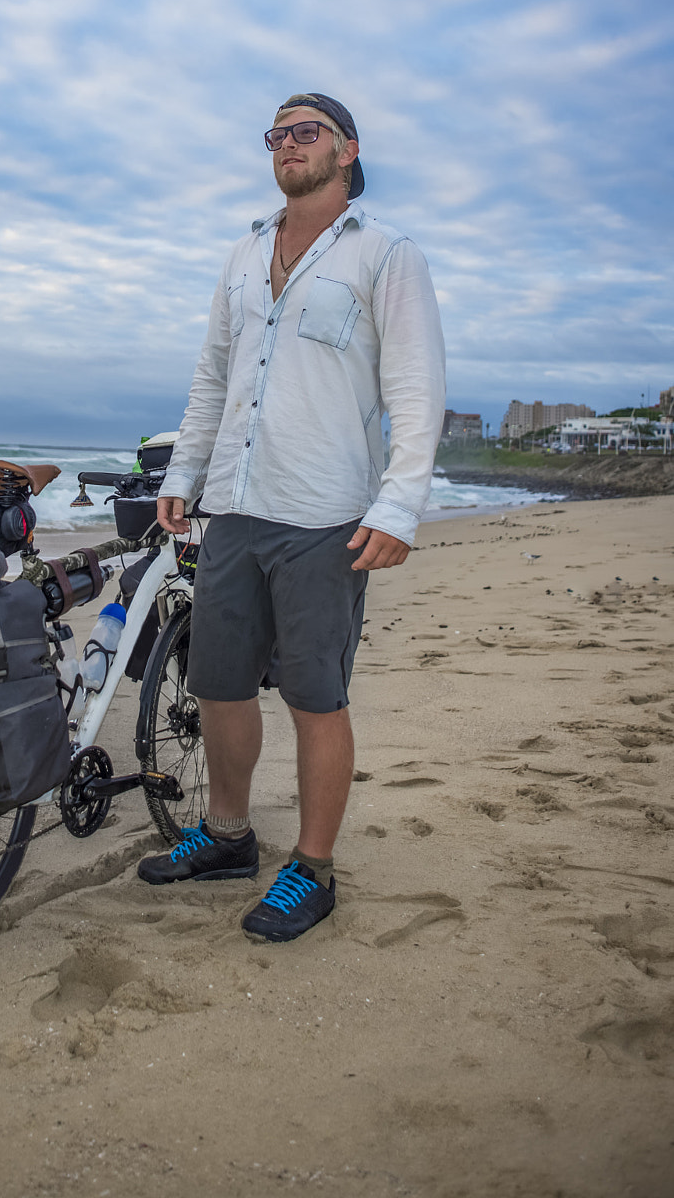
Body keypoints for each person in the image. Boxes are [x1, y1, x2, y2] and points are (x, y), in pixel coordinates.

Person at [138, 92, 445, 942]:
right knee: (218, 684)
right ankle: (229, 837)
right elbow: (212, 375)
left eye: (306, 131)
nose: (288, 144)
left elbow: (416, 389)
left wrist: (400, 506)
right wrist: (187, 470)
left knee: (315, 692)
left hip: (326, 514)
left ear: (347, 150)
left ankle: (312, 868)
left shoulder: (386, 254)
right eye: (277, 134)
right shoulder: (242, 253)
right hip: (234, 504)